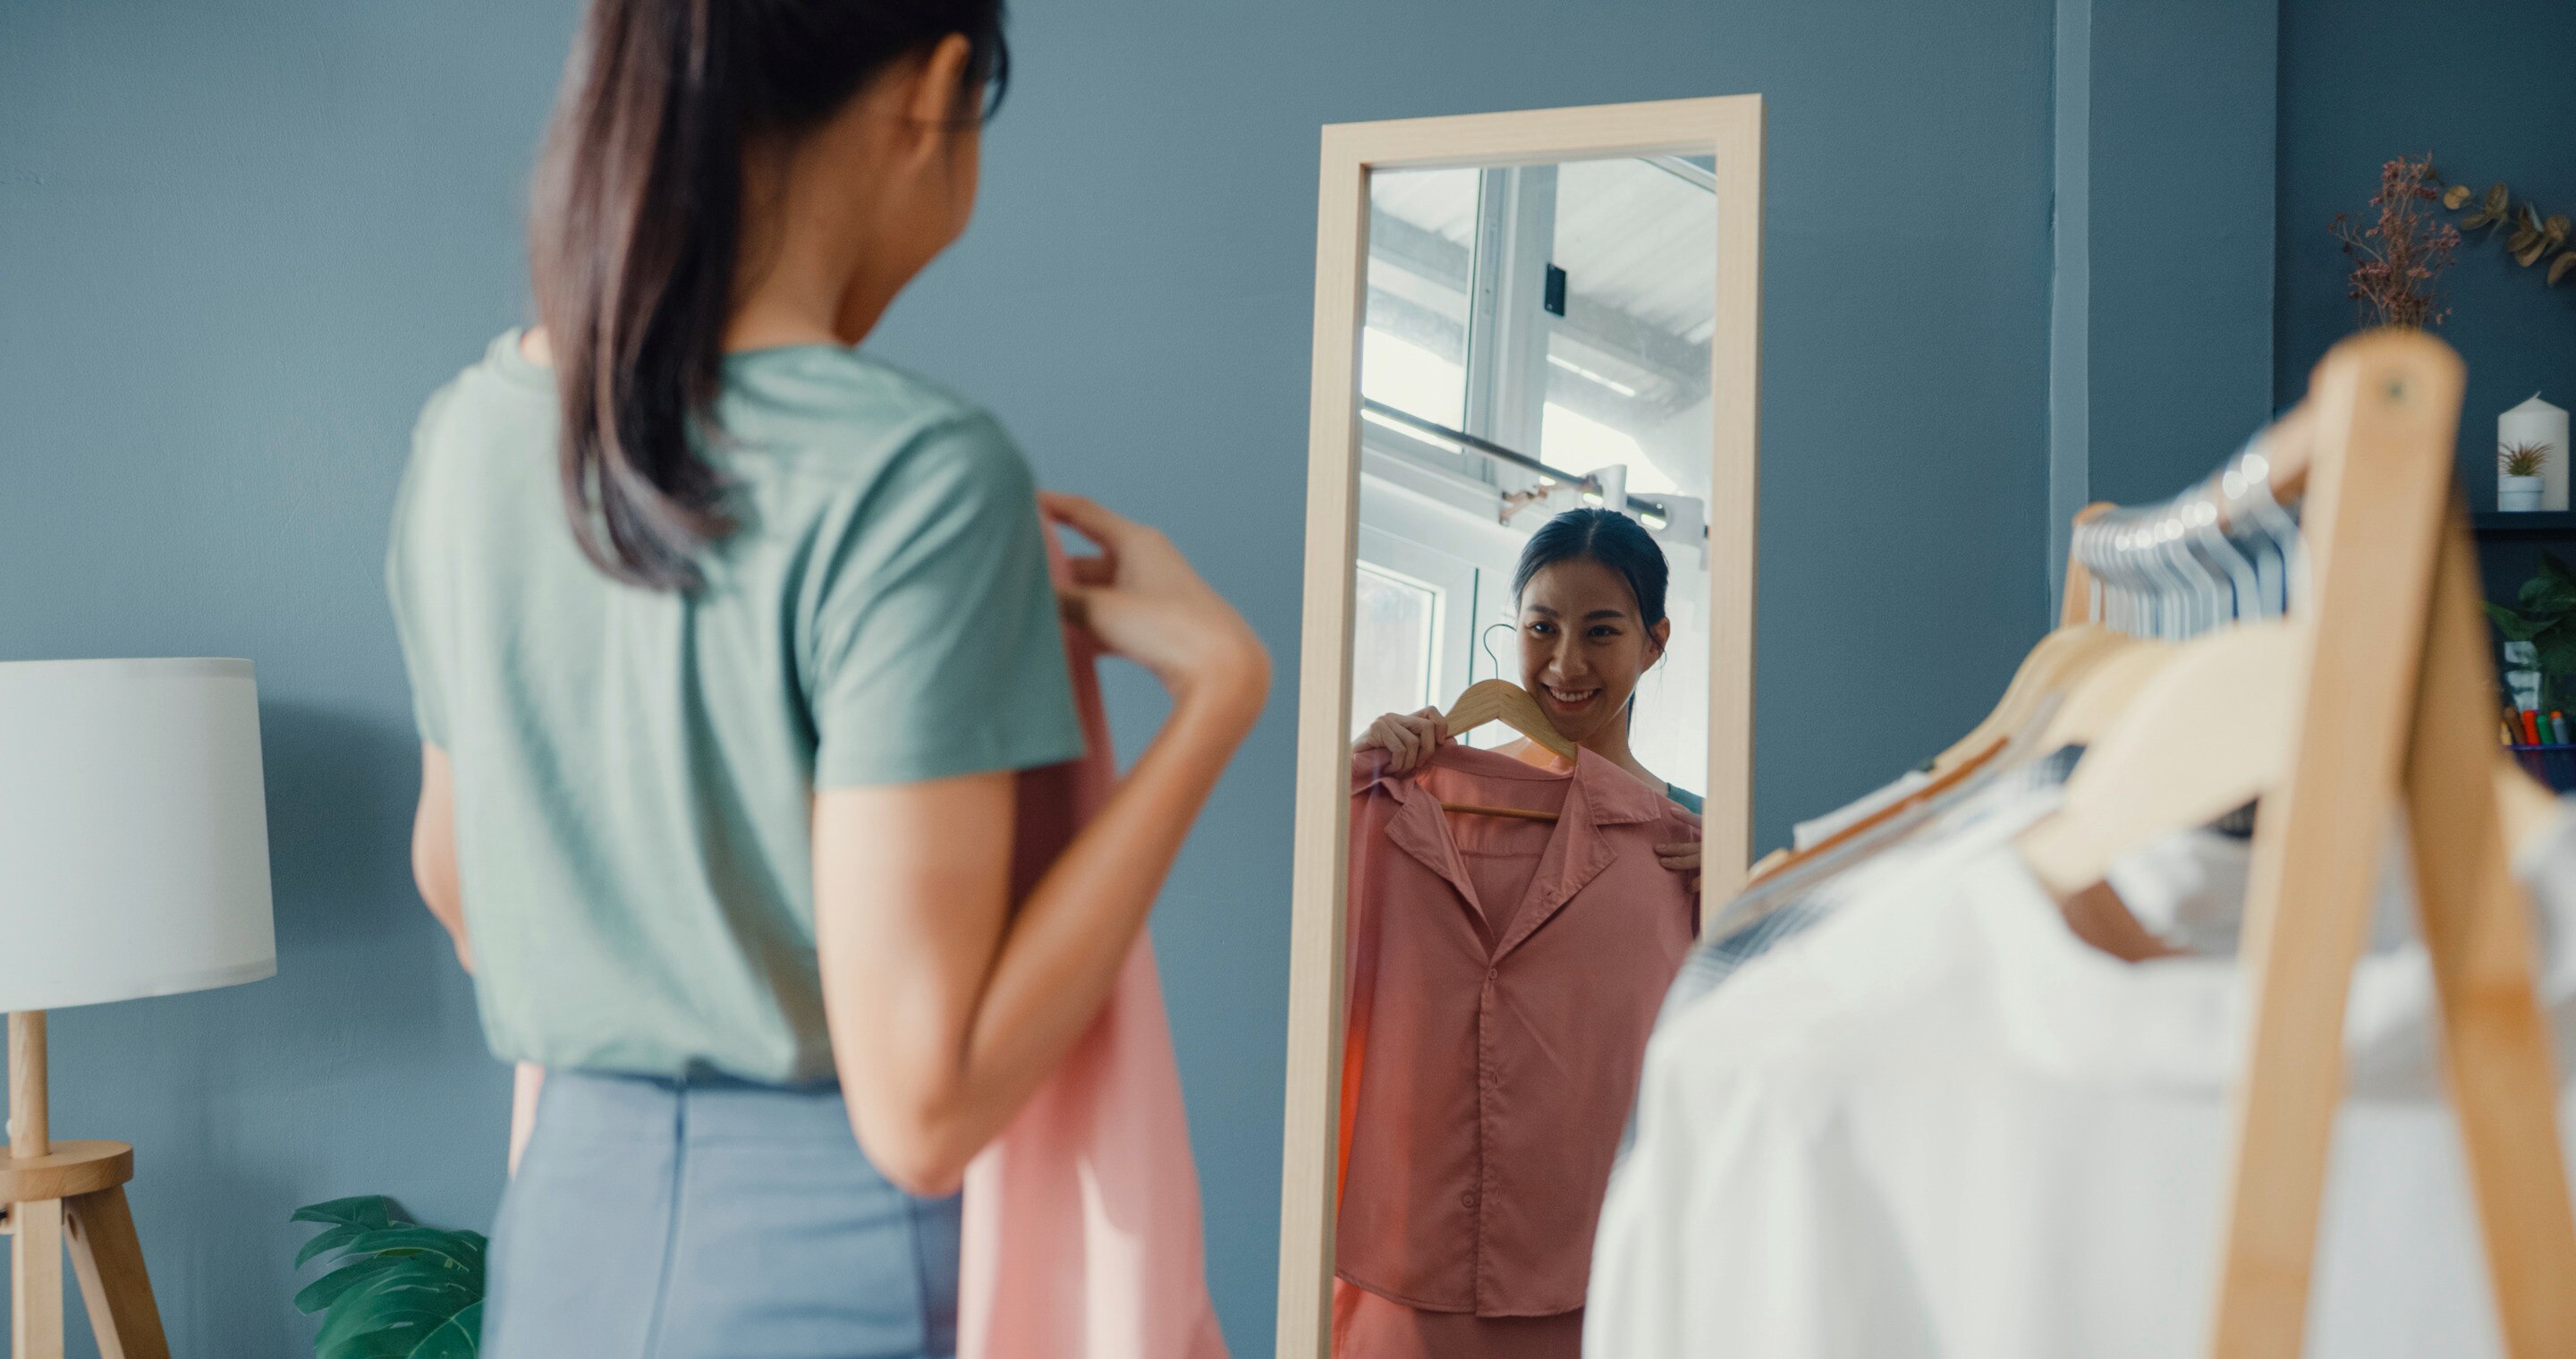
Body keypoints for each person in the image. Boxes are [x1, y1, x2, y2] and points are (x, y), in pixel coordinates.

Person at [385, 3, 1267, 1355]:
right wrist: (1216, 701)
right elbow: (924, 1108)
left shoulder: (470, 438)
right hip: (826, 1267)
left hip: (565, 1242)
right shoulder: (916, 474)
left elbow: (460, 887)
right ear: (940, 88)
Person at [1355, 506, 1702, 893]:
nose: (1566, 666)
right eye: (1542, 628)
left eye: (1600, 631)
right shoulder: (1405, 790)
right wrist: (1344, 783)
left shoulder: (1701, 837)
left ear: (1655, 643)